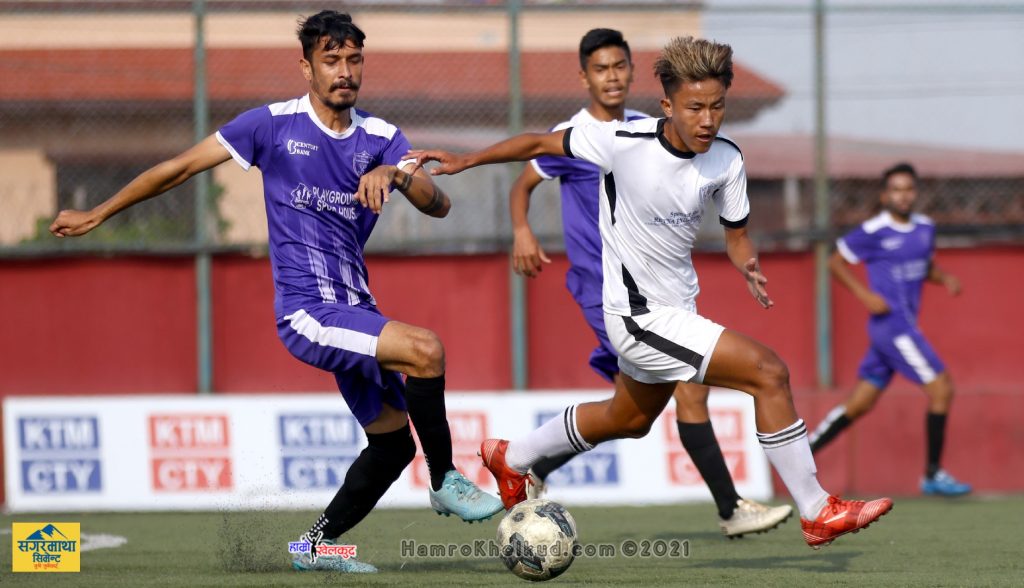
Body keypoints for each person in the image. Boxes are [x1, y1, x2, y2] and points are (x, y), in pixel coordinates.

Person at [48, 10, 502, 573]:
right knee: (426, 349)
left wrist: (396, 174)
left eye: (353, 59)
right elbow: (180, 168)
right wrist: (98, 212)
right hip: (308, 312)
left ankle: (312, 548)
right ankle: (445, 479)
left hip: (356, 309)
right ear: (307, 68)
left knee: (392, 445)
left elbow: (439, 204)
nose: (344, 71)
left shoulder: (383, 138)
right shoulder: (270, 126)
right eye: (331, 60)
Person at [407, 35, 893, 549]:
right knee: (768, 373)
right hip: (636, 316)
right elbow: (535, 145)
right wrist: (465, 161)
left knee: (630, 419)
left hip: (676, 309)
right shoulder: (621, 141)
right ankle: (816, 509)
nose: (708, 120)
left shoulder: (726, 159)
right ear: (667, 105)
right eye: (695, 108)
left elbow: (736, 235)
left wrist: (746, 263)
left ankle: (513, 455)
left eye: (717, 106)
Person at [509, 28, 791, 538]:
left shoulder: (650, 130)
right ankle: (731, 509)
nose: (612, 77)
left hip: (656, 291)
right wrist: (522, 231)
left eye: (620, 66)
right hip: (605, 288)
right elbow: (524, 182)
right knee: (687, 391)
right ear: (584, 77)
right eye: (601, 69)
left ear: (632, 73)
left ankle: (530, 466)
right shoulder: (578, 134)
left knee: (631, 415)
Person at [808, 162, 970, 496]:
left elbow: (923, 266)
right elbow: (834, 261)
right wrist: (865, 295)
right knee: (941, 388)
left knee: (859, 404)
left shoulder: (925, 228)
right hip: (893, 328)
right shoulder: (874, 230)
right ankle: (933, 474)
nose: (903, 196)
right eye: (896, 190)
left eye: (908, 189)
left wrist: (944, 278)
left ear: (916, 193)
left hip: (899, 329)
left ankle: (800, 455)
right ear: (884, 196)